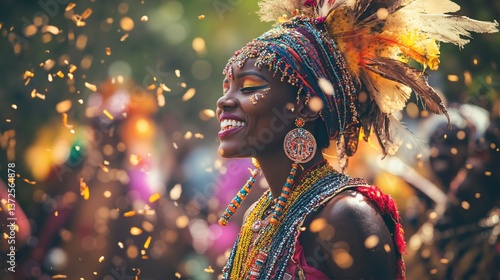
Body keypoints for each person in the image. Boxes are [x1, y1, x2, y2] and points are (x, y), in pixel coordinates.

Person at [214, 0, 498, 279]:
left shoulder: (346, 215)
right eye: (228, 87)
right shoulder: (257, 216)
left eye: (249, 87)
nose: (224, 101)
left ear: (303, 106)